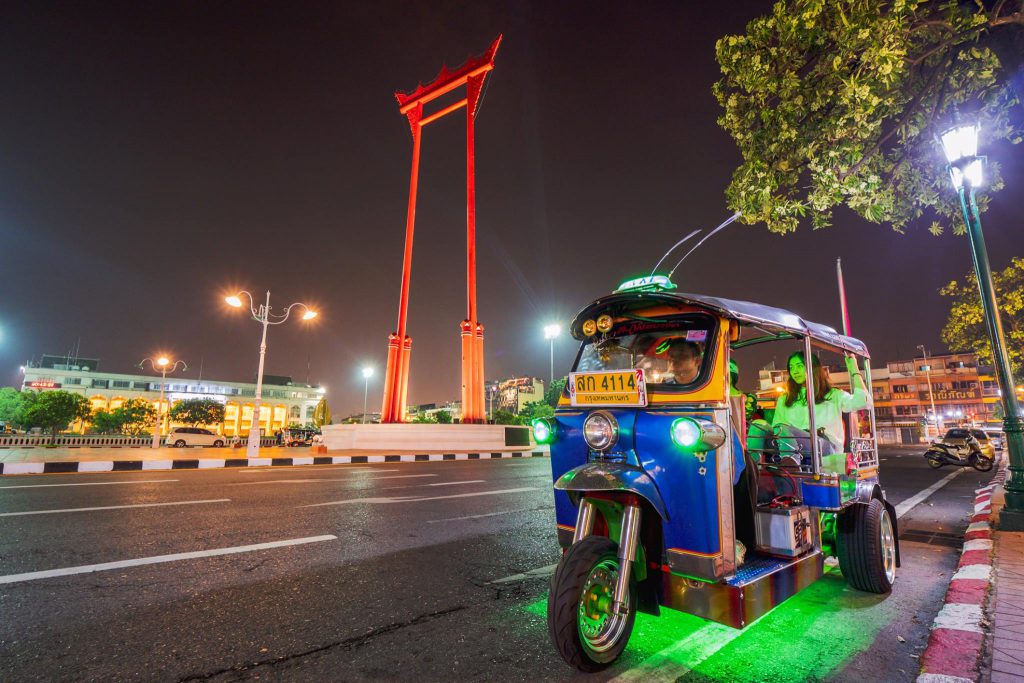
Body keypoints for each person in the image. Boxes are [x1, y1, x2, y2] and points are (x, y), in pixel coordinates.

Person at [772, 351, 870, 461]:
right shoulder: (784, 399)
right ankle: (753, 469)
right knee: (759, 425)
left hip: (825, 446)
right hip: (796, 444)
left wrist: (854, 369)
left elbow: (863, 402)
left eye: (799, 366)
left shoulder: (833, 395)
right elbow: (777, 427)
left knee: (782, 428)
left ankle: (792, 464)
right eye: (791, 367)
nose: (794, 371)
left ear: (812, 367)